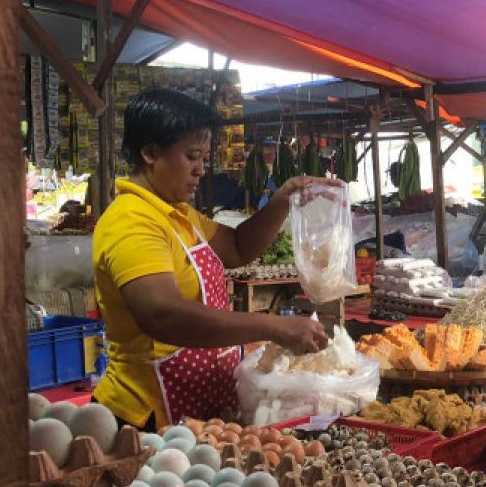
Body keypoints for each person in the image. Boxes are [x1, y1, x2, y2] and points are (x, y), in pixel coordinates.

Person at [92, 89, 333, 431]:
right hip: (147, 418)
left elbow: (236, 247)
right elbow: (163, 314)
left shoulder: (180, 214)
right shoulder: (131, 220)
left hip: (195, 411)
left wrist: (282, 199)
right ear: (150, 153)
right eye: (191, 157)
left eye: (204, 157)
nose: (202, 170)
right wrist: (272, 326)